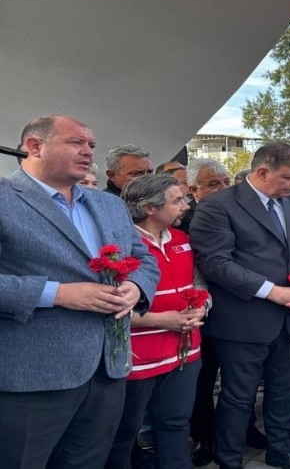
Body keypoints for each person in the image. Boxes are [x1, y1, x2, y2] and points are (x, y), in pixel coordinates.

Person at [0, 114, 159, 468]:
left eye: (91, 145)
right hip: (33, 376)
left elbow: (143, 259)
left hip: (107, 369)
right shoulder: (4, 199)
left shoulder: (109, 204)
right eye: (75, 142)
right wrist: (57, 294)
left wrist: (135, 287)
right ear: (34, 146)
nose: (88, 151)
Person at [190, 142, 290, 469]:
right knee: (238, 398)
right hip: (243, 322)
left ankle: (282, 451)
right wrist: (272, 292)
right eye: (289, 177)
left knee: (286, 389)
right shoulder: (218, 207)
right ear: (262, 172)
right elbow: (216, 263)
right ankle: (229, 459)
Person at [106, 175, 207, 469]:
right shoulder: (119, 247)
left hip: (185, 353)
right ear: (150, 208)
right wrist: (161, 319)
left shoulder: (182, 239)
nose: (186, 206)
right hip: (138, 359)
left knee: (176, 426)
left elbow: (198, 283)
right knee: (123, 434)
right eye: (177, 200)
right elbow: (111, 306)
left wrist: (201, 308)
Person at [182, 158, 259, 466]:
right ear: (193, 189)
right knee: (202, 381)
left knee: (240, 378)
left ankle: (247, 429)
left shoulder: (241, 214)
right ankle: (205, 437)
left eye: (226, 182)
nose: (223, 188)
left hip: (236, 310)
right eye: (213, 183)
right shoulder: (182, 219)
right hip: (197, 315)